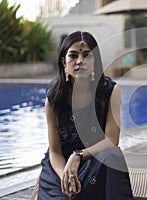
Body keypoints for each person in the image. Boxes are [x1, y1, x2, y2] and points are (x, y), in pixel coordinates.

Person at [30, 31, 133, 199]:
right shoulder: (54, 99)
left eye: (87, 55)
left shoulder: (110, 92)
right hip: (60, 167)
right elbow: (54, 152)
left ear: (95, 62)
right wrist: (67, 176)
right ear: (64, 62)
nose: (80, 61)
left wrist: (78, 155)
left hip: (93, 163)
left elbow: (111, 141)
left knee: (112, 156)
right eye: (73, 56)